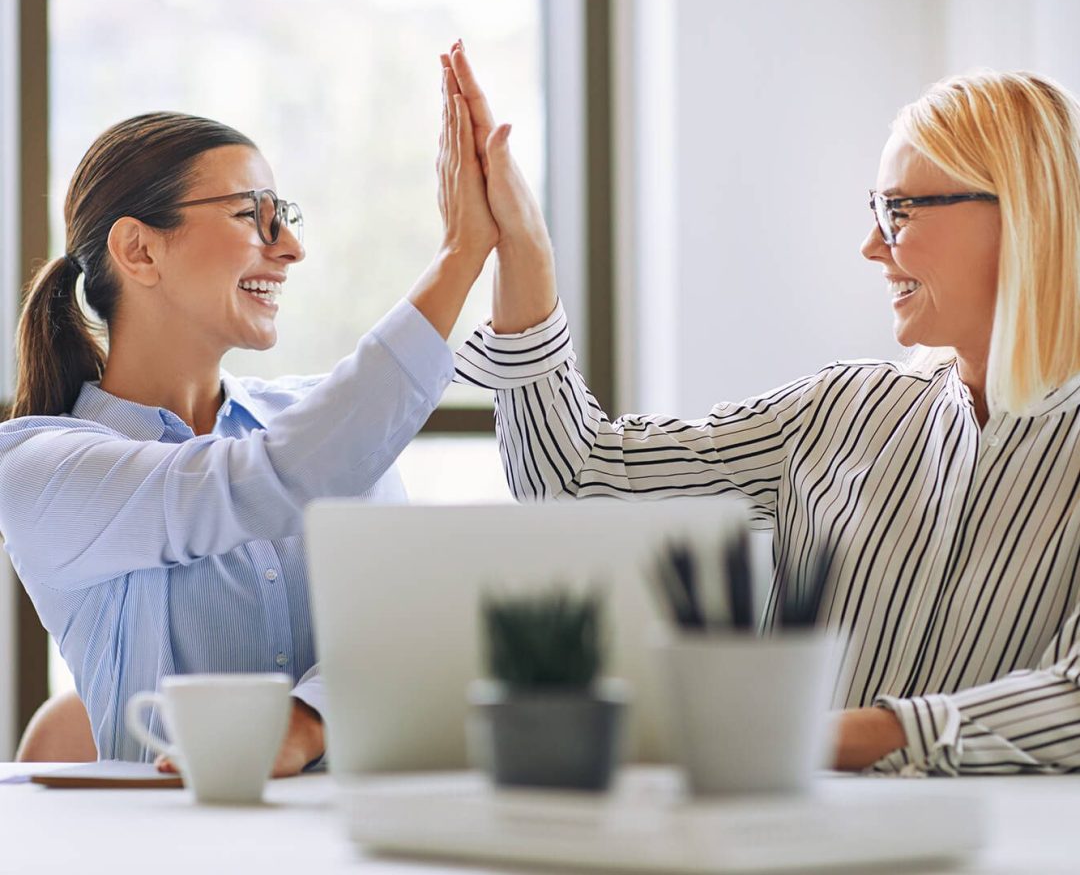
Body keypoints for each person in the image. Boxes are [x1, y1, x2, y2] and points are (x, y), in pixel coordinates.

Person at [450, 49, 1080, 776]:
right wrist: (522, 249)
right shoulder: (844, 411)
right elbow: (578, 475)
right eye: (875, 210)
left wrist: (828, 737)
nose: (872, 245)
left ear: (1024, 216)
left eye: (899, 210)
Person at [0, 48, 495, 773]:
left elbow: (409, 617)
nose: (290, 247)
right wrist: (459, 255)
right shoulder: (39, 468)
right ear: (139, 251)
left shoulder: (321, 427)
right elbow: (254, 483)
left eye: (284, 217)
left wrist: (307, 719)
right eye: (252, 216)